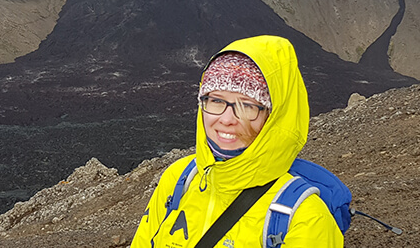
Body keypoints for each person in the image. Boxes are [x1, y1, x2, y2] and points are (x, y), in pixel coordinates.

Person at [131, 35, 344, 247]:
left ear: (273, 116)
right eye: (215, 101)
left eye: (247, 106)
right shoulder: (178, 179)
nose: (226, 119)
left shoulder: (305, 219)